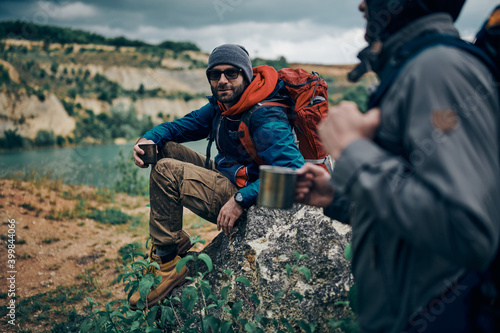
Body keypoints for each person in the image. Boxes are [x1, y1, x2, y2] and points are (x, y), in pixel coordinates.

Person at [296, 1, 500, 332]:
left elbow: (466, 231)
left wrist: (352, 151)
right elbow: (415, 198)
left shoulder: (439, 69)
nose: (362, 4)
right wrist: (337, 196)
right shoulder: (414, 67)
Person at [130, 44, 304, 309]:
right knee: (164, 149)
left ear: (246, 75)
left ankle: (167, 264)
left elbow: (294, 172)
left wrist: (241, 199)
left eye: (231, 73)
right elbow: (178, 127)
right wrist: (148, 138)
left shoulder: (265, 115)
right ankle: (174, 242)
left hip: (253, 199)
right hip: (231, 179)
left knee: (167, 170)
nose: (222, 80)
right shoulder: (223, 105)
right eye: (215, 74)